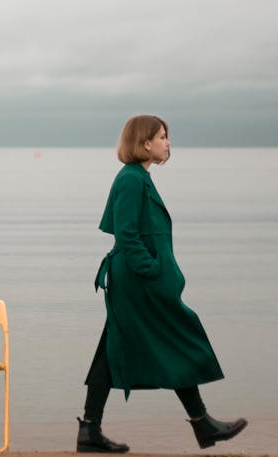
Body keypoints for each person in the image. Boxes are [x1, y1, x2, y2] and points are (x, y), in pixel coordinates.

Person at [76, 115, 248, 453]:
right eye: (163, 137)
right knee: (173, 339)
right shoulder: (130, 179)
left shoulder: (140, 177)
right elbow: (126, 234)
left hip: (139, 280)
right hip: (137, 282)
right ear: (144, 143)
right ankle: (202, 424)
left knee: (120, 348)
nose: (168, 143)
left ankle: (91, 430)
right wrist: (151, 270)